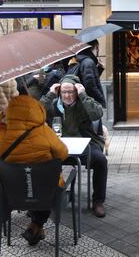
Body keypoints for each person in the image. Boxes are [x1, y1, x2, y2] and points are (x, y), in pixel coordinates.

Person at [0, 95, 68, 245]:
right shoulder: (44, 131)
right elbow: (63, 154)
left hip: (13, 193)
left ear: (9, 112)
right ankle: (36, 225)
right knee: (43, 183)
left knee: (30, 183)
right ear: (36, 110)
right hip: (45, 192)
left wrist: (0, 117)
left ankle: (35, 226)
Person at [39, 74, 108, 218]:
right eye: (64, 92)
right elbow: (37, 112)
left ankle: (98, 201)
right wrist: (50, 94)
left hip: (84, 144)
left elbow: (97, 114)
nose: (67, 95)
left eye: (71, 92)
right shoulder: (53, 104)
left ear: (76, 91)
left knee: (101, 160)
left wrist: (83, 95)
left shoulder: (84, 102)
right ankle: (43, 201)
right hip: (60, 147)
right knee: (41, 160)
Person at [67, 39, 106, 108]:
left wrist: (100, 68)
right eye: (98, 48)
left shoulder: (79, 59)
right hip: (88, 104)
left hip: (80, 101)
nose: (98, 50)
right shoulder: (88, 62)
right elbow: (90, 86)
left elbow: (88, 79)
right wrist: (101, 99)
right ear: (95, 47)